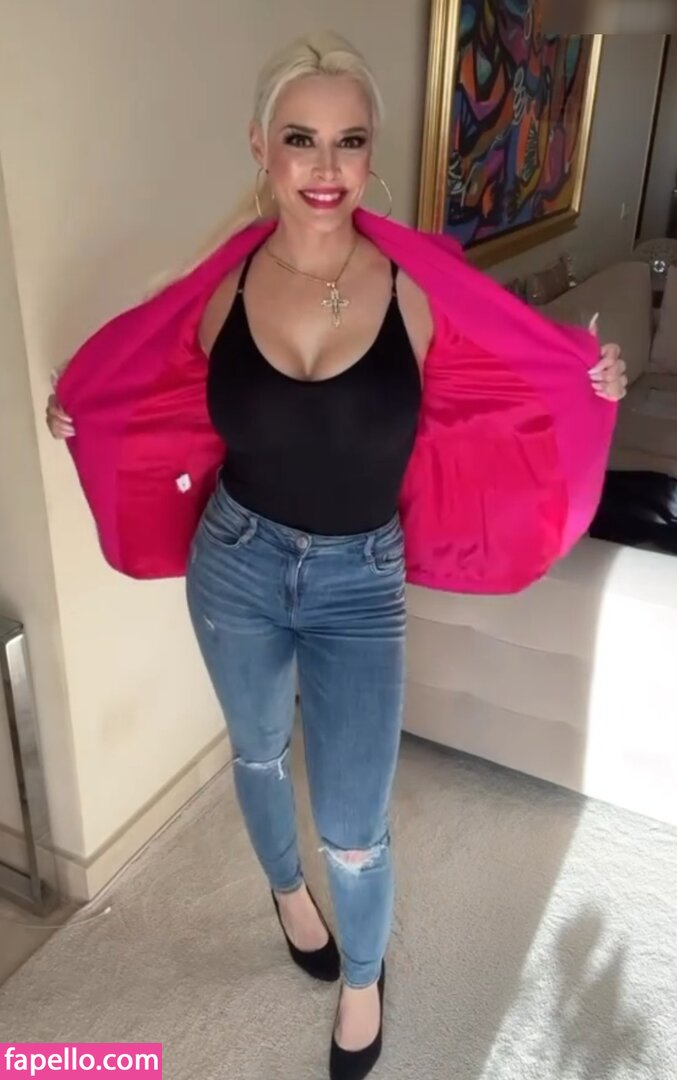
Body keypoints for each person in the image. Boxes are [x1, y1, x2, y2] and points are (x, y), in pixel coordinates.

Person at [47, 31, 627, 1080]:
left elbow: (516, 380)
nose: (325, 168)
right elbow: (139, 384)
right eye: (300, 140)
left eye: (349, 142)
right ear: (260, 147)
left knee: (355, 827)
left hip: (360, 583)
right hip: (235, 562)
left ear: (370, 155)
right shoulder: (214, 288)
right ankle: (284, 892)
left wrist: (589, 381)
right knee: (259, 753)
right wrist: (78, 410)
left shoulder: (417, 287)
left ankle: (364, 978)